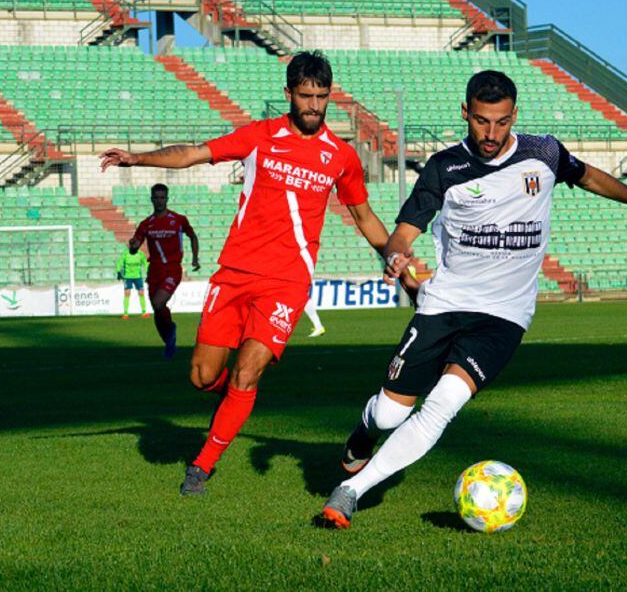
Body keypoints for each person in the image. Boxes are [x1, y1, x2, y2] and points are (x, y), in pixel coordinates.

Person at [320, 70, 627, 529]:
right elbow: (404, 231)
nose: (491, 134)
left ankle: (350, 492)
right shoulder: (444, 168)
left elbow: (592, 177)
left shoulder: (544, 154)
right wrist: (397, 256)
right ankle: (363, 433)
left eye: (500, 122)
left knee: (442, 406)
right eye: (481, 121)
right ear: (466, 113)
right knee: (388, 412)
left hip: (504, 315)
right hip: (443, 305)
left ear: (513, 115)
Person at [99, 51, 416, 496]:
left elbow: (364, 216)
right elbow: (193, 153)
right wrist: (138, 158)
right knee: (203, 377)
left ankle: (201, 466)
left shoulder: (340, 157)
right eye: (305, 96)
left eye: (322, 97)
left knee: (248, 372)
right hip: (234, 274)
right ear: (288, 94)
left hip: (287, 282)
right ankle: (235, 399)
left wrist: (393, 257)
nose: (314, 106)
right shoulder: (259, 137)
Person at [130, 183, 200, 356]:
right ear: (152, 199)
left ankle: (170, 335)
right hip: (154, 271)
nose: (160, 201)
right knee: (157, 310)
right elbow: (135, 247)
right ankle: (169, 339)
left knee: (158, 303)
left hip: (172, 270)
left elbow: (193, 236)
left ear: (167, 199)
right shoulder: (146, 224)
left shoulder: (178, 220)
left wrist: (195, 258)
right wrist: (132, 246)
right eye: (156, 198)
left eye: (163, 198)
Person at [116, 239, 150, 319]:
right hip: (128, 277)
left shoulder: (140, 254)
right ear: (130, 245)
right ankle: (125, 313)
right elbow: (119, 263)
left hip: (138, 277)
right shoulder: (125, 254)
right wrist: (118, 272)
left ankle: (144, 312)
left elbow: (145, 263)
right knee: (127, 293)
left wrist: (148, 272)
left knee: (141, 293)